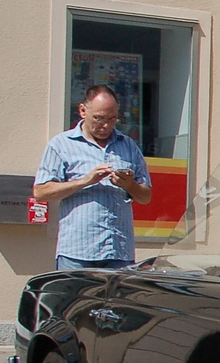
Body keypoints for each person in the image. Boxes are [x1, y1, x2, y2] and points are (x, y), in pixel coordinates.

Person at [34, 86, 152, 271]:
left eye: (112, 119)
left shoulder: (128, 146)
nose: (106, 126)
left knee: (116, 301)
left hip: (118, 252)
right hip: (77, 253)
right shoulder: (61, 145)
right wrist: (85, 181)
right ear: (83, 111)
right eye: (99, 118)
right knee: (76, 301)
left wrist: (130, 185)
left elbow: (145, 197)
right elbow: (41, 192)